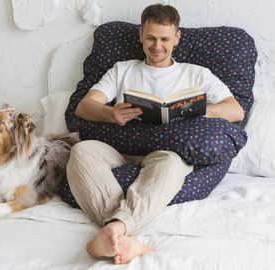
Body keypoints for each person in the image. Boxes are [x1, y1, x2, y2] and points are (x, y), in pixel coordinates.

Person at [66, 4, 244, 265]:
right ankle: (122, 231)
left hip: (166, 152)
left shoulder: (196, 73)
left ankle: (114, 230)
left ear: (177, 38)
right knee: (81, 151)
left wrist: (195, 111)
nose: (157, 46)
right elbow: (84, 106)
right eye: (150, 38)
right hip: (121, 148)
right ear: (140, 34)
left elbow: (235, 110)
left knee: (171, 163)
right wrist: (110, 113)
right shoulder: (122, 69)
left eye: (164, 39)